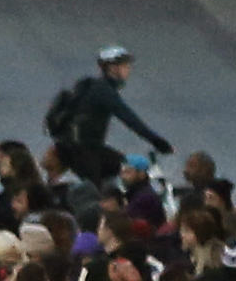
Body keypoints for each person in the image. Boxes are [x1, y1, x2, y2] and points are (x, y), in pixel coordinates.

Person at [43, 46, 168, 181]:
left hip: (75, 147)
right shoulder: (104, 91)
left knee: (121, 168)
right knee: (97, 192)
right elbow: (128, 118)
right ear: (112, 68)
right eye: (125, 65)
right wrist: (157, 141)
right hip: (83, 151)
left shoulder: (95, 86)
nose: (128, 70)